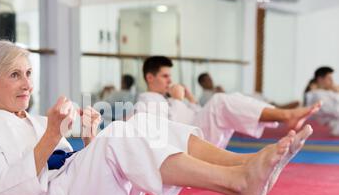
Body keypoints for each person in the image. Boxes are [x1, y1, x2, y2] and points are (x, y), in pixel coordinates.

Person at [0, 40, 312, 195]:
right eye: (15, 75)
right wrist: (53, 135)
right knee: (124, 133)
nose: (26, 84)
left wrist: (89, 139)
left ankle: (243, 164)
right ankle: (237, 182)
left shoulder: (35, 121)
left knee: (143, 124)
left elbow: (81, 173)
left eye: (28, 74)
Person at [135, 56, 321, 149]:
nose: (169, 80)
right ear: (150, 78)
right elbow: (164, 133)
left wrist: (190, 100)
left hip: (198, 136)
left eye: (170, 76)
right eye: (165, 76)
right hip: (184, 144)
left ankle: (280, 116)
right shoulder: (146, 101)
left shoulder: (167, 99)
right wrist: (176, 100)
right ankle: (284, 115)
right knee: (219, 101)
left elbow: (196, 115)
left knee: (235, 99)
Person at [305, 67, 339, 136]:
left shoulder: (327, 91)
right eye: (329, 78)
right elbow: (334, 111)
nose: (332, 81)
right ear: (320, 79)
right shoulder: (317, 95)